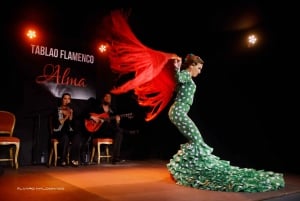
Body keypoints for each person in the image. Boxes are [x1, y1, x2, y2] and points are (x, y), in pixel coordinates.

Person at [99, 9, 285, 192]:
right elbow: (179, 78)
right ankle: (194, 170)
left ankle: (186, 168)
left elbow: (177, 79)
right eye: (199, 68)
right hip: (178, 112)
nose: (200, 71)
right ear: (192, 66)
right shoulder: (186, 75)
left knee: (196, 140)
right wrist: (177, 67)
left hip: (178, 112)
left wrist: (176, 69)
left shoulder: (186, 77)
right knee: (197, 140)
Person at [84, 93, 124, 164]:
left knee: (119, 132)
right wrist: (93, 117)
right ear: (103, 98)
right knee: (113, 128)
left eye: (110, 97)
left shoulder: (112, 111)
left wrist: (118, 122)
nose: (108, 98)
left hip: (108, 131)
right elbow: (85, 113)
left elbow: (115, 126)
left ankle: (115, 158)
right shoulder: (97, 107)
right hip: (98, 130)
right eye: (106, 96)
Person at [51, 92, 82, 167]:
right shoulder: (57, 110)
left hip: (69, 131)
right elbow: (57, 124)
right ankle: (63, 160)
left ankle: (74, 159)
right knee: (65, 137)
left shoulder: (72, 110)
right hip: (59, 131)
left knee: (77, 136)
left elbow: (73, 125)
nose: (67, 100)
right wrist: (65, 117)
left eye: (68, 99)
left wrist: (71, 117)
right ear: (62, 100)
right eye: (65, 98)